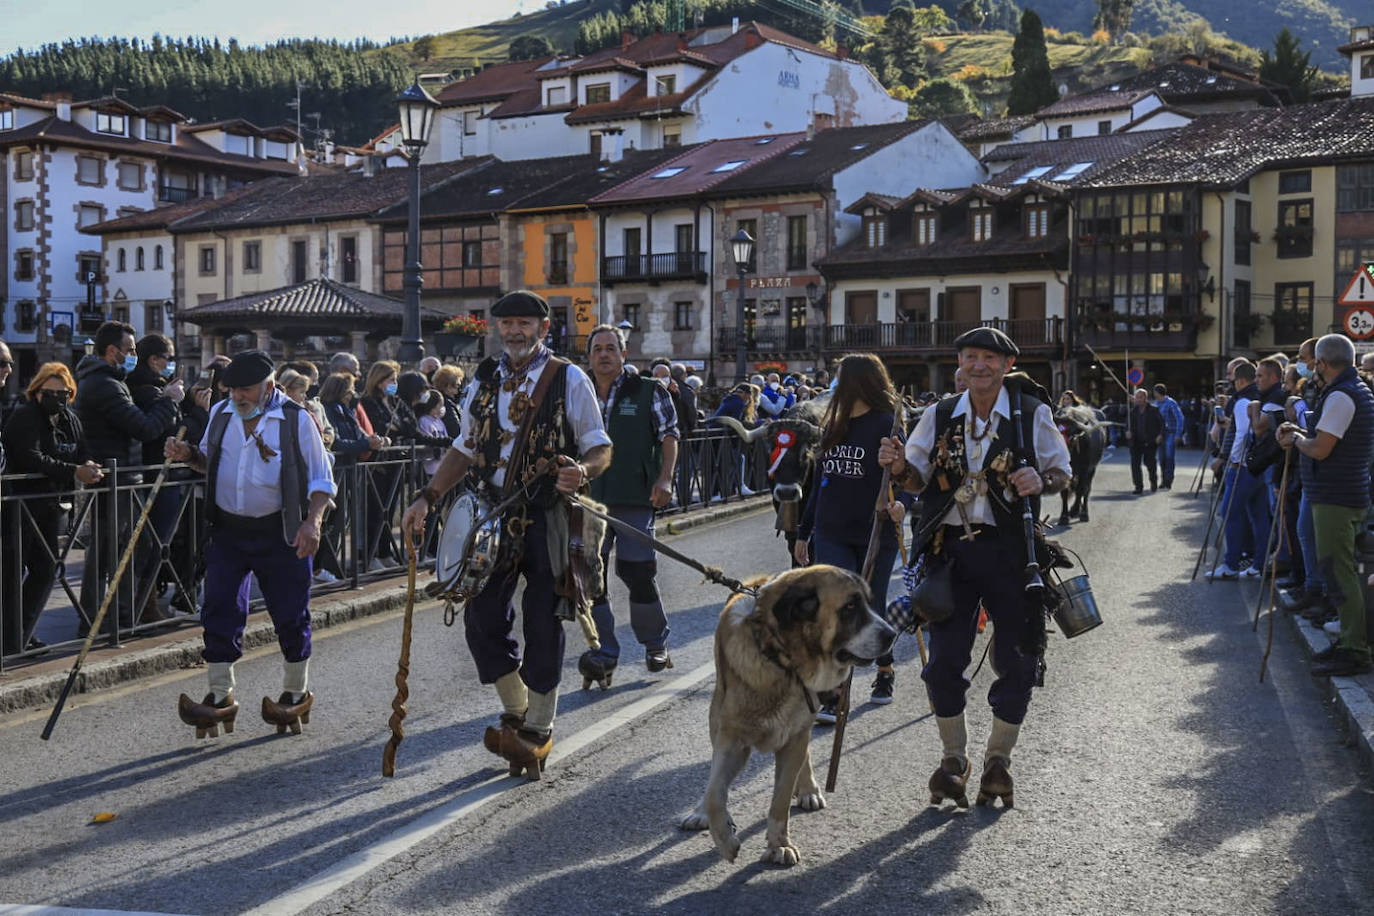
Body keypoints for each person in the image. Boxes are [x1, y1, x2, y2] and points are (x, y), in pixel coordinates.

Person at [400, 290, 612, 778]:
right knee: (481, 619)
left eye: (524, 323)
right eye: (507, 324)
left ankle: (538, 723)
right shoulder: (487, 377)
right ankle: (515, 706)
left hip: (547, 513)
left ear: (542, 327)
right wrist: (426, 498)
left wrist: (581, 470)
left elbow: (600, 447)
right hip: (492, 513)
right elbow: (464, 448)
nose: (514, 331)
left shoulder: (568, 377)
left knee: (543, 618)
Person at [878, 326, 1071, 810]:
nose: (978, 365)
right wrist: (899, 466)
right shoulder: (940, 414)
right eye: (970, 357)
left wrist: (1039, 479)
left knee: (1020, 660)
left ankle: (998, 762)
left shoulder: (1031, 412)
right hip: (950, 557)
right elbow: (917, 481)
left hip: (1012, 553)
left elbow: (1061, 471)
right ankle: (953, 761)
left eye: (988, 357)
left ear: (1008, 365)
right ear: (959, 364)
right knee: (943, 663)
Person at [163, 350, 336, 738]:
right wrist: (186, 454)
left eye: (246, 389)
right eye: (233, 389)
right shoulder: (222, 413)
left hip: (281, 532)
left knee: (290, 612)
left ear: (269, 387)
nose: (238, 396)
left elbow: (323, 478)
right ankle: (220, 695)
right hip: (228, 530)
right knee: (219, 607)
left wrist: (313, 522)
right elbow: (210, 460)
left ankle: (295, 691)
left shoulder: (295, 419)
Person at [794, 353, 906, 716]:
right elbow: (819, 487)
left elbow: (902, 476)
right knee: (839, 608)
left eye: (842, 378)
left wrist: (900, 503)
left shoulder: (886, 424)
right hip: (832, 530)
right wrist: (803, 531)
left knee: (871, 608)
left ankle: (885, 670)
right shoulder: (833, 425)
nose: (835, 386)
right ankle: (836, 692)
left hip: (875, 531)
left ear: (860, 382)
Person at [580, 324, 679, 689]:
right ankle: (605, 651)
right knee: (591, 577)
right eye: (597, 349)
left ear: (624, 354)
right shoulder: (579, 392)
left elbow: (670, 436)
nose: (604, 354)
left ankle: (656, 645)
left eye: (611, 348)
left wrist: (665, 479)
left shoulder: (648, 390)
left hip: (635, 496)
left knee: (639, 573)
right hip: (588, 500)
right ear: (589, 356)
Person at [73, 321, 182, 630]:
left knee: (132, 546)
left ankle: (119, 611)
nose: (135, 356)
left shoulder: (111, 381)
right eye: (131, 350)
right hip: (114, 478)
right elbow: (144, 428)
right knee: (109, 550)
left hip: (125, 477)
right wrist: (169, 400)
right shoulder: (104, 385)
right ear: (112, 351)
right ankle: (97, 616)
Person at [1278, 334, 1374, 677]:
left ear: (1322, 363)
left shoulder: (1342, 395)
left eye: (1314, 362)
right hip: (1344, 493)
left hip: (1337, 497)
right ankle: (1350, 641)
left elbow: (1321, 448)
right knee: (1340, 570)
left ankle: (1355, 649)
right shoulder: (1353, 390)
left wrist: (1297, 439)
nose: (1311, 368)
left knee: (1339, 572)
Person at [1, 363, 103, 656]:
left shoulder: (70, 419)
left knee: (45, 570)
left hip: (50, 506)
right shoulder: (25, 416)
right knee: (12, 573)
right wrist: (74, 471)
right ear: (37, 391)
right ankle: (11, 639)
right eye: (50, 392)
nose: (57, 398)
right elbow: (30, 456)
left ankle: (23, 632)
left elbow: (82, 450)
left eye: (63, 393)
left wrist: (90, 467)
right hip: (20, 505)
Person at [318, 372, 388, 580]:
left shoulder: (347, 410)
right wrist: (366, 444)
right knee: (333, 522)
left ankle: (331, 566)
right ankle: (325, 567)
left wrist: (373, 440)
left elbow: (358, 434)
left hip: (350, 470)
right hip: (337, 471)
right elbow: (337, 443)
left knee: (342, 520)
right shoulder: (329, 410)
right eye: (349, 389)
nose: (352, 393)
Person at [1207, 361, 1271, 580]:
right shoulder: (1258, 397)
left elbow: (1244, 434)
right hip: (1258, 467)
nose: (1231, 384)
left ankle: (1231, 564)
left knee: (1230, 513)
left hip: (1243, 466)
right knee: (1258, 516)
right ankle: (1259, 564)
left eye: (1233, 379)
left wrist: (1228, 459)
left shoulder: (1242, 400)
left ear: (1241, 380)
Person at [359, 360, 404, 570]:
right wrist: (392, 427)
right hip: (376, 464)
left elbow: (407, 425)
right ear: (379, 381)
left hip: (394, 462)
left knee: (388, 510)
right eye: (391, 379)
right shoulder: (368, 401)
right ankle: (370, 556)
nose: (395, 383)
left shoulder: (394, 402)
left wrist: (396, 426)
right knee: (375, 511)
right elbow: (378, 426)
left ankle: (385, 552)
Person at [1125, 388, 1163, 495]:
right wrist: (1127, 432)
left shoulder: (1154, 409)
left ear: (1145, 398)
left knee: (1150, 463)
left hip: (1150, 441)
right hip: (1136, 442)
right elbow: (1127, 425)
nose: (1138, 399)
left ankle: (1153, 482)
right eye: (1136, 397)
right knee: (1135, 465)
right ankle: (1138, 486)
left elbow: (1162, 424)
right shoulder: (1133, 411)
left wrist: (1160, 435)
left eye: (1140, 397)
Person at [1153, 384, 1185, 489]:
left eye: (1155, 392)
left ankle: (1168, 480)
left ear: (1159, 392)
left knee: (1169, 457)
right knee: (1161, 458)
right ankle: (1163, 480)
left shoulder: (1171, 403)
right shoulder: (1156, 404)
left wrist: (1178, 434)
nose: (1154, 394)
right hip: (1161, 434)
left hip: (1171, 432)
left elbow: (1180, 418)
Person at [432, 365, 465, 440]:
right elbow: (456, 430)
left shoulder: (440, 401)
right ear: (448, 387)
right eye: (457, 385)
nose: (459, 389)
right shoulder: (447, 404)